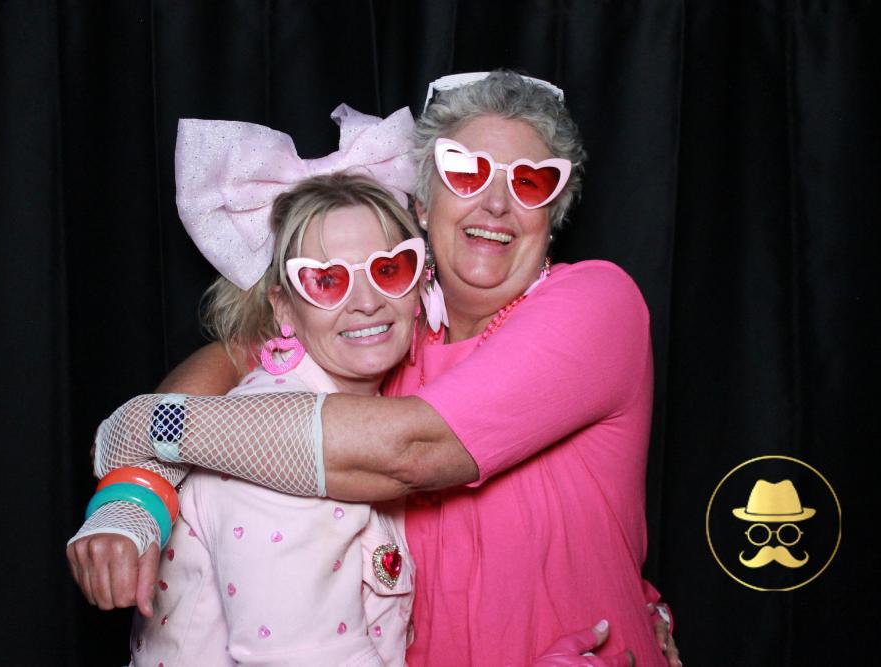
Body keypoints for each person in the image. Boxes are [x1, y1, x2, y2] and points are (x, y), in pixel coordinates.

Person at [75, 72, 680, 666]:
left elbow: (410, 449)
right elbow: (238, 354)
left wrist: (149, 426)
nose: (497, 202)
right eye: (465, 171)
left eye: (530, 181)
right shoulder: (389, 334)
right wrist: (135, 488)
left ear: (553, 212)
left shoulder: (595, 303)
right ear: (423, 204)